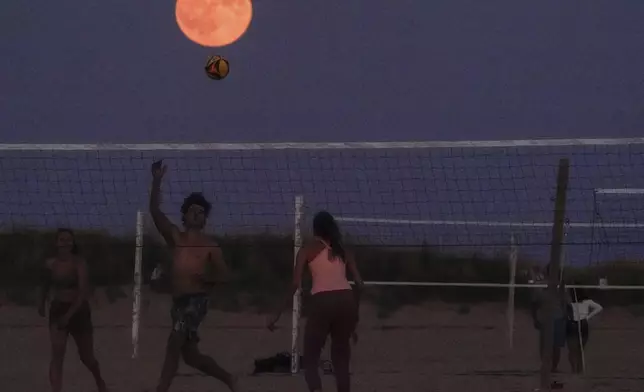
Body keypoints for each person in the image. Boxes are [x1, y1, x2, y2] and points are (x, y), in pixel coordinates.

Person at [148, 160, 238, 392]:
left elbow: (227, 276)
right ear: (184, 216)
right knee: (191, 357)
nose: (197, 214)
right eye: (193, 211)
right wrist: (157, 180)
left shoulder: (211, 247)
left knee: (173, 342)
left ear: (205, 219)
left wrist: (208, 280)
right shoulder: (176, 239)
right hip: (178, 302)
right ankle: (229, 379)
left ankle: (161, 389)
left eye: (201, 212)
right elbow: (155, 212)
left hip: (196, 301)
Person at [267, 210, 364, 392]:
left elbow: (295, 284)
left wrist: (276, 314)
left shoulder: (307, 250)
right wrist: (354, 320)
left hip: (323, 300)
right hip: (346, 299)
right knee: (341, 360)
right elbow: (359, 283)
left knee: (311, 359)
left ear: (315, 229)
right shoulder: (343, 251)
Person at [38, 228, 108, 392]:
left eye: (69, 240)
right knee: (57, 355)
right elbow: (45, 284)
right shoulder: (50, 264)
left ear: (73, 243)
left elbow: (83, 292)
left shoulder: (79, 263)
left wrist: (68, 316)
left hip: (78, 311)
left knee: (87, 357)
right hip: (58, 309)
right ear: (56, 243)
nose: (66, 243)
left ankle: (99, 381)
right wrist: (41, 303)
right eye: (62, 239)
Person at [530, 263, 569, 373]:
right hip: (545, 318)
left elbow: (565, 302)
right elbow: (534, 304)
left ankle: (554, 367)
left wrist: (566, 315)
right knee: (545, 345)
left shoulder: (561, 287)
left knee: (556, 345)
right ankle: (546, 366)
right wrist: (535, 318)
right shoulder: (540, 286)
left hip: (558, 318)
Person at [566, 286, 602, 373]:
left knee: (572, 349)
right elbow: (599, 308)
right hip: (582, 323)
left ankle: (575, 369)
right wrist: (588, 317)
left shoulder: (569, 302)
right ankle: (579, 369)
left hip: (573, 324)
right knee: (580, 349)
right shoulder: (586, 301)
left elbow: (599, 308)